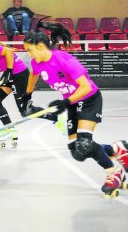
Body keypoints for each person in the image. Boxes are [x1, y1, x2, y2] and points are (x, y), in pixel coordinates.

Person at [22, 20, 128, 197]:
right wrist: (27, 95)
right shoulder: (37, 63)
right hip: (72, 102)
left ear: (40, 46)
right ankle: (117, 149)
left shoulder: (63, 59)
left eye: (29, 49)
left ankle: (114, 174)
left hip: (88, 100)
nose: (29, 54)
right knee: (77, 152)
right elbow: (33, 76)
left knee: (85, 143)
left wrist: (65, 102)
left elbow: (85, 87)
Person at [0, 25, 65, 148]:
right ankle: (9, 130)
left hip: (19, 75)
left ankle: (58, 118)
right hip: (10, 75)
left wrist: (9, 71)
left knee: (26, 111)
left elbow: (9, 52)